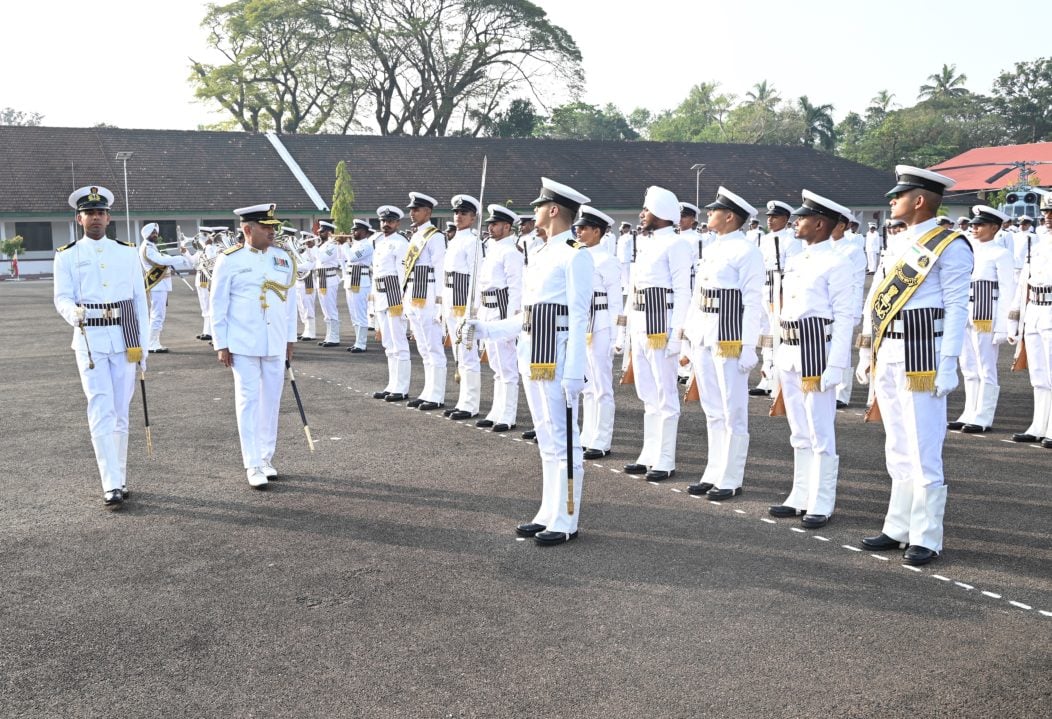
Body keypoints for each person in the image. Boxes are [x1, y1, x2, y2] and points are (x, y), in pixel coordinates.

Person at [466, 178, 592, 546]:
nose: (533, 211)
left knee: (565, 440)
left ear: (553, 210)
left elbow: (581, 317)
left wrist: (574, 372)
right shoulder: (538, 252)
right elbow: (527, 316)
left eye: (539, 205)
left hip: (558, 358)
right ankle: (548, 511)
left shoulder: (574, 252)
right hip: (534, 354)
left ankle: (567, 518)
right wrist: (484, 329)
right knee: (548, 441)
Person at [856, 165, 971, 565]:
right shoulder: (899, 241)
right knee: (897, 445)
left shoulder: (950, 244)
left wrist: (949, 361)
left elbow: (958, 306)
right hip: (889, 350)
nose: (892, 201)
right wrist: (866, 350)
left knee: (924, 447)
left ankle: (926, 535)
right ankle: (897, 526)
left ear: (919, 200)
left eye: (898, 195)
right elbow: (877, 299)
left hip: (924, 354)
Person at [54, 186, 149, 507]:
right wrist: (72, 313)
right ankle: (110, 483)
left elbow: (139, 301)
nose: (95, 218)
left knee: (121, 410)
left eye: (100, 213)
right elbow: (62, 297)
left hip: (126, 338)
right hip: (89, 340)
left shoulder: (126, 252)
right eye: (89, 213)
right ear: (79, 218)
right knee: (100, 408)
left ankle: (120, 478)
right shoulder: (67, 254)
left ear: (108, 218)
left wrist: (144, 348)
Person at [768, 191, 855, 527]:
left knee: (820, 431)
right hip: (790, 350)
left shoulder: (838, 261)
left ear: (820, 223)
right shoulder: (797, 259)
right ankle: (799, 494)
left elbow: (845, 316)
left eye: (803, 218)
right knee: (799, 431)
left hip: (818, 351)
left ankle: (821, 501)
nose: (796, 222)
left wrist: (836, 365)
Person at [682, 187, 765, 500]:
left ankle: (731, 477)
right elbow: (698, 295)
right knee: (712, 409)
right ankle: (713, 471)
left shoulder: (747, 251)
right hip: (704, 335)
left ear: (730, 217)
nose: (708, 214)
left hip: (728, 338)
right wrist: (690, 337)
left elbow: (753, 302)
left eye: (714, 210)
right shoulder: (713, 247)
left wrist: (748, 347)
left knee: (733, 411)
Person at [210, 203, 298, 489]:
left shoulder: (282, 259)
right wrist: (221, 343)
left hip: (274, 340)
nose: (273, 232)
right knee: (248, 402)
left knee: (271, 401)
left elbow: (290, 302)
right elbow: (218, 304)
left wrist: (290, 338)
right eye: (266, 227)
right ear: (248, 229)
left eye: (274, 226)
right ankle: (252, 463)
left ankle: (266, 457)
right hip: (242, 342)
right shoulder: (229, 260)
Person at [618, 186, 692, 480]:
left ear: (660, 213)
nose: (642, 214)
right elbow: (635, 291)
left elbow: (683, 292)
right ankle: (649, 452)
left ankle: (665, 459)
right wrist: (625, 335)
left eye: (646, 210)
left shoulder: (676, 244)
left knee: (665, 394)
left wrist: (677, 335)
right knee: (647, 394)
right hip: (641, 326)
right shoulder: (645, 243)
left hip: (662, 328)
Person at [947, 205, 1014, 433]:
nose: (974, 228)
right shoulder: (968, 249)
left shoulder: (1000, 253)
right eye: (973, 224)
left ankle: (983, 416)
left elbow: (1007, 291)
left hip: (987, 314)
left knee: (986, 366)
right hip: (965, 312)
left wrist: (1005, 326)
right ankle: (969, 411)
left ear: (994, 228)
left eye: (980, 224)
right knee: (967, 365)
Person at [574, 205, 624, 459]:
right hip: (583, 325)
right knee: (587, 385)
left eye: (584, 228)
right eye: (578, 228)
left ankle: (602, 439)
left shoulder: (608, 260)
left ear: (597, 231)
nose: (579, 232)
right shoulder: (578, 255)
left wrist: (618, 336)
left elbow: (616, 302)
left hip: (602, 325)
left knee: (602, 385)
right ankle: (587, 434)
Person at [475, 204, 524, 432]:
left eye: (495, 224)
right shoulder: (491, 248)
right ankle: (496, 411)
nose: (491, 228)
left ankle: (508, 415)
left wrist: (510, 321)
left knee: (507, 366)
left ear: (507, 226)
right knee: (495, 365)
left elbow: (515, 288)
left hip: (502, 309)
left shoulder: (511, 252)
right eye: (489, 224)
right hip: (487, 309)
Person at [1007, 194, 1052, 444]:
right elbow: (1023, 281)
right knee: (1038, 374)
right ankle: (1039, 424)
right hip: (1034, 309)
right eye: (1046, 213)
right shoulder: (1038, 242)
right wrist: (1015, 319)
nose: (1048, 217)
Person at [403, 192, 448, 411]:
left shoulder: (435, 236)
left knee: (433, 347)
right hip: (414, 294)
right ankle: (428, 391)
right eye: (411, 209)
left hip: (429, 295)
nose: (412, 213)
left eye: (416, 209)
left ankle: (437, 395)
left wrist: (440, 304)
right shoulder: (416, 235)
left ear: (428, 212)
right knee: (422, 347)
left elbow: (440, 271)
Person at [752, 200, 800, 397]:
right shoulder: (763, 239)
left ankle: (777, 380)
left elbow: (794, 271)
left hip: (779, 290)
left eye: (775, 217)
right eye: (769, 216)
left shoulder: (792, 241)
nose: (770, 220)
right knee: (764, 333)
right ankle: (766, 378)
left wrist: (784, 295)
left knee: (777, 333)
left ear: (786, 219)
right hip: (763, 288)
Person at [442, 194, 483, 420]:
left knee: (468, 353)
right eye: (456, 213)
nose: (458, 216)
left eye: (463, 213)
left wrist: (473, 308)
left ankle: (470, 404)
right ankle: (462, 401)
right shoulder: (455, 239)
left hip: (463, 303)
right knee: (458, 353)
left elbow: (475, 278)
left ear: (473, 217)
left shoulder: (473, 242)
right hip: (450, 300)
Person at [370, 206, 412, 401]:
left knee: (399, 343)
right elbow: (376, 273)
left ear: (397, 223)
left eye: (390, 221)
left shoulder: (400, 243)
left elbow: (403, 275)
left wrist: (404, 303)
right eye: (383, 221)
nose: (386, 224)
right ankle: (392, 384)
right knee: (388, 343)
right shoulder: (380, 242)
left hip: (394, 294)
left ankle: (401, 388)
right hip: (380, 294)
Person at [829, 208, 868, 408]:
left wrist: (855, 312)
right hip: (823, 307)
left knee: (842, 350)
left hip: (843, 307)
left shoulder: (852, 250)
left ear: (842, 226)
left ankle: (841, 393)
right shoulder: (822, 247)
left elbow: (857, 283)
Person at [139, 222, 191, 353]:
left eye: (156, 232)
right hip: (157, 285)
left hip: (160, 285)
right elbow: (161, 261)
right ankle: (152, 343)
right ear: (146, 234)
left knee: (158, 315)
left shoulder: (151, 246)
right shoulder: (147, 247)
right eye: (153, 233)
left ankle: (154, 342)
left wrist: (173, 258)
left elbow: (163, 258)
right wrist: (180, 259)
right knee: (157, 315)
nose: (155, 235)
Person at [342, 218, 374, 353]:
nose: (353, 232)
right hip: (351, 280)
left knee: (360, 313)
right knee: (353, 314)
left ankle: (362, 343)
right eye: (353, 230)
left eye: (356, 230)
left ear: (364, 232)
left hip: (361, 282)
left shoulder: (367, 245)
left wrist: (343, 246)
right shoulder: (355, 245)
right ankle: (357, 342)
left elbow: (352, 258)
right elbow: (343, 261)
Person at [314, 221, 343, 347]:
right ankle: (329, 336)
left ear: (329, 232)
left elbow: (322, 258)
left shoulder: (333, 245)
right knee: (325, 310)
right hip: (321, 279)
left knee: (331, 309)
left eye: (322, 231)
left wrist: (312, 247)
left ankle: (335, 337)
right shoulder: (322, 245)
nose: (318, 233)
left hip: (329, 279)